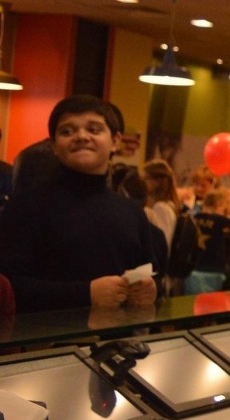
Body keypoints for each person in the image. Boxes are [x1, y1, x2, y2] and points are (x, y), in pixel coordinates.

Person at [0, 95, 160, 312]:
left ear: (115, 141)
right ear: (54, 145)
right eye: (67, 131)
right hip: (48, 342)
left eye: (94, 130)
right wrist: (86, 294)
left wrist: (149, 289)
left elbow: (150, 271)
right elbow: (9, 287)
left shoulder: (131, 212)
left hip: (119, 341)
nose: (81, 136)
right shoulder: (25, 207)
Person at [187, 189, 230, 294]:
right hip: (215, 267)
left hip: (194, 267)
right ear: (219, 205)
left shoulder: (193, 217)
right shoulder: (219, 219)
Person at [142, 159, 181, 248]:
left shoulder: (161, 208)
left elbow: (163, 243)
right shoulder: (166, 206)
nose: (143, 182)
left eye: (146, 178)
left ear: (157, 181)